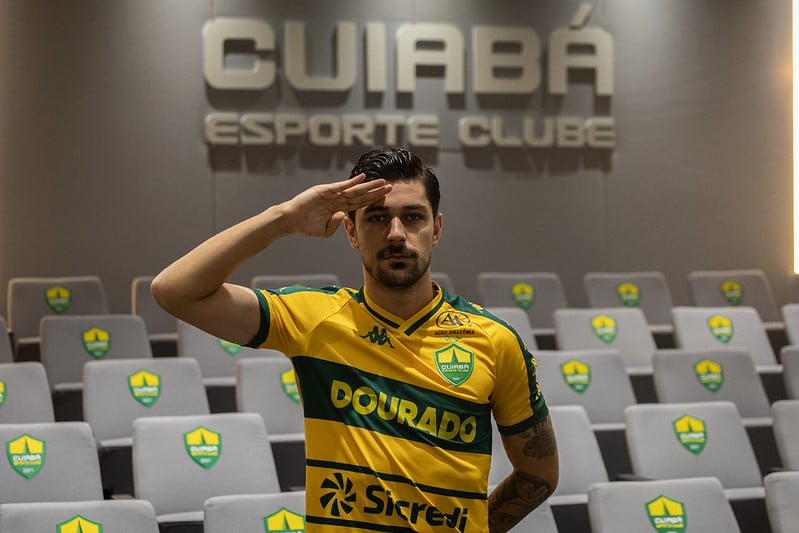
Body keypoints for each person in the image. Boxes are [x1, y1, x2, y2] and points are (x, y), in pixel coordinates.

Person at [152, 147, 558, 532]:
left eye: (412, 217)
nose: (396, 233)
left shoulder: (495, 340)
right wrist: (285, 218)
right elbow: (174, 291)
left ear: (436, 229)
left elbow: (538, 471)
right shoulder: (311, 318)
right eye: (377, 218)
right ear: (351, 231)